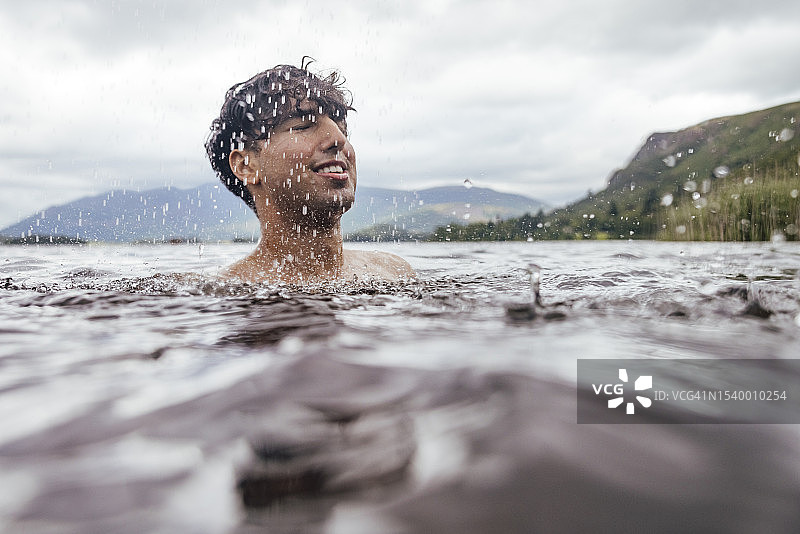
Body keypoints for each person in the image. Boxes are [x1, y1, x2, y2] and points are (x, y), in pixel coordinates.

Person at [205, 61, 414, 284]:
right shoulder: (223, 291)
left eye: (341, 128)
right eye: (303, 126)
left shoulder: (394, 272)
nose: (338, 140)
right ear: (246, 166)